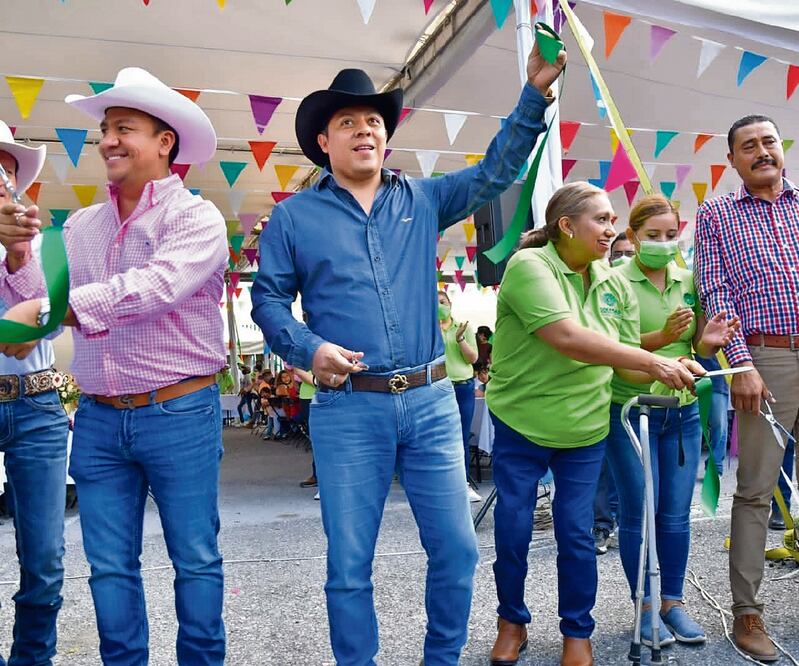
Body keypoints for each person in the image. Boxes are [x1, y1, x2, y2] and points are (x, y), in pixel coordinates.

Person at [250, 40, 566, 666]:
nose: (364, 129)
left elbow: (495, 171)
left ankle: (441, 659)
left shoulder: (423, 198)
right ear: (324, 142)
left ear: (385, 137)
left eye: (373, 120)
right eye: (347, 122)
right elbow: (268, 302)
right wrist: (310, 348)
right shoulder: (294, 218)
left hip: (431, 403)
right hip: (348, 410)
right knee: (349, 564)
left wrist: (533, 95)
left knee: (457, 549)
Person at [0, 67, 228, 665]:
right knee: (108, 569)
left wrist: (47, 310)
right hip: (99, 419)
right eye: (105, 130)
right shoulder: (80, 226)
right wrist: (19, 253)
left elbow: (154, 286)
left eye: (123, 128)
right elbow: (41, 304)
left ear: (165, 141)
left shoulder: (197, 218)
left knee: (195, 559)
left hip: (181, 409)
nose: (107, 141)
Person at [485, 182, 702, 666]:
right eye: (601, 220)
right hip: (522, 420)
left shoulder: (614, 283)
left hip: (584, 426)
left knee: (577, 534)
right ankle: (511, 620)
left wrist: (674, 366)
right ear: (566, 225)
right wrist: (654, 361)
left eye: (612, 221)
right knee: (514, 528)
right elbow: (567, 337)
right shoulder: (529, 265)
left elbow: (626, 365)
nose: (610, 230)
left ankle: (577, 632)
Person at [606, 194, 739, 646]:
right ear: (632, 236)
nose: (663, 243)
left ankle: (672, 603)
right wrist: (662, 338)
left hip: (682, 413)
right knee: (639, 512)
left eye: (670, 234)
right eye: (652, 235)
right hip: (631, 413)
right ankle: (644, 606)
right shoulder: (614, 281)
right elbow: (614, 346)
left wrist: (707, 342)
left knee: (676, 516)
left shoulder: (688, 278)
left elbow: (696, 347)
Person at [694, 113, 799, 662]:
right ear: (732, 160)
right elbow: (715, 292)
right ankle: (748, 612)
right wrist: (740, 365)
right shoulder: (716, 214)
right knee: (757, 489)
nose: (762, 151)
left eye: (769, 141)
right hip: (765, 358)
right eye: (749, 146)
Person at [0, 121, 71, 666]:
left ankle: (33, 659)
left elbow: (43, 326)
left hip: (38, 404)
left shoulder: (49, 242)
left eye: (5, 170)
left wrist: (19, 257)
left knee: (45, 557)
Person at [438, 290, 480, 502]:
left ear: (450, 304)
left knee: (461, 435)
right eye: (435, 303)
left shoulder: (463, 327)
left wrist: (460, 339)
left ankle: (463, 483)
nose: (440, 305)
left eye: (443, 301)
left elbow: (473, 359)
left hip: (463, 386)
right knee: (437, 437)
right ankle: (440, 484)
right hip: (438, 387)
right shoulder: (428, 329)